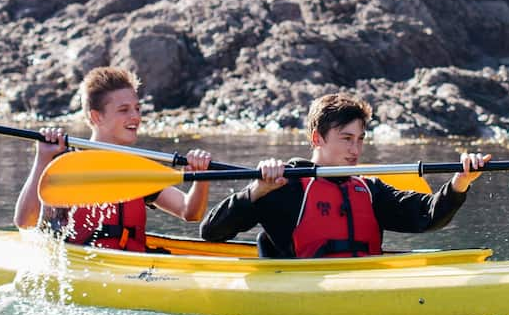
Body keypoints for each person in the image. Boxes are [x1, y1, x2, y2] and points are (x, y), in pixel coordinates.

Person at [200, 92, 490, 259]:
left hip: (362, 282)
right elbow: (211, 233)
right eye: (346, 138)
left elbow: (427, 217)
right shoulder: (284, 187)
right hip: (301, 293)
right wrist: (256, 191)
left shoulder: (370, 189)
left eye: (360, 139)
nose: (355, 149)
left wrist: (460, 181)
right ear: (317, 138)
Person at [14, 66, 211, 250]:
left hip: (132, 267)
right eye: (124, 110)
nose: (135, 117)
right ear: (96, 117)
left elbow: (189, 212)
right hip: (81, 264)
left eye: (137, 108)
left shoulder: (137, 169)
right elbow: (25, 222)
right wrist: (42, 159)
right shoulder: (66, 165)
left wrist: (199, 178)